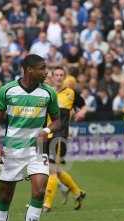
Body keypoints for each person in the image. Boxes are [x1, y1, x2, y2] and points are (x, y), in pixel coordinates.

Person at [0, 54, 60, 221]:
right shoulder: (7, 90)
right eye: (42, 68)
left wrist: (46, 131)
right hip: (11, 151)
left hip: (36, 151)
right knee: (5, 196)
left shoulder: (48, 93)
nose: (46, 72)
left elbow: (57, 121)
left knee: (39, 191)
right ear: (28, 70)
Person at [42, 67, 87, 212]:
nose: (59, 77)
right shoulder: (47, 93)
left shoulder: (71, 93)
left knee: (52, 170)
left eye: (62, 75)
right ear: (52, 77)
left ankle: (47, 204)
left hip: (59, 137)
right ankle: (77, 192)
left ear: (65, 77)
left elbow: (84, 106)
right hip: (46, 135)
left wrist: (81, 113)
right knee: (56, 170)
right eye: (57, 75)